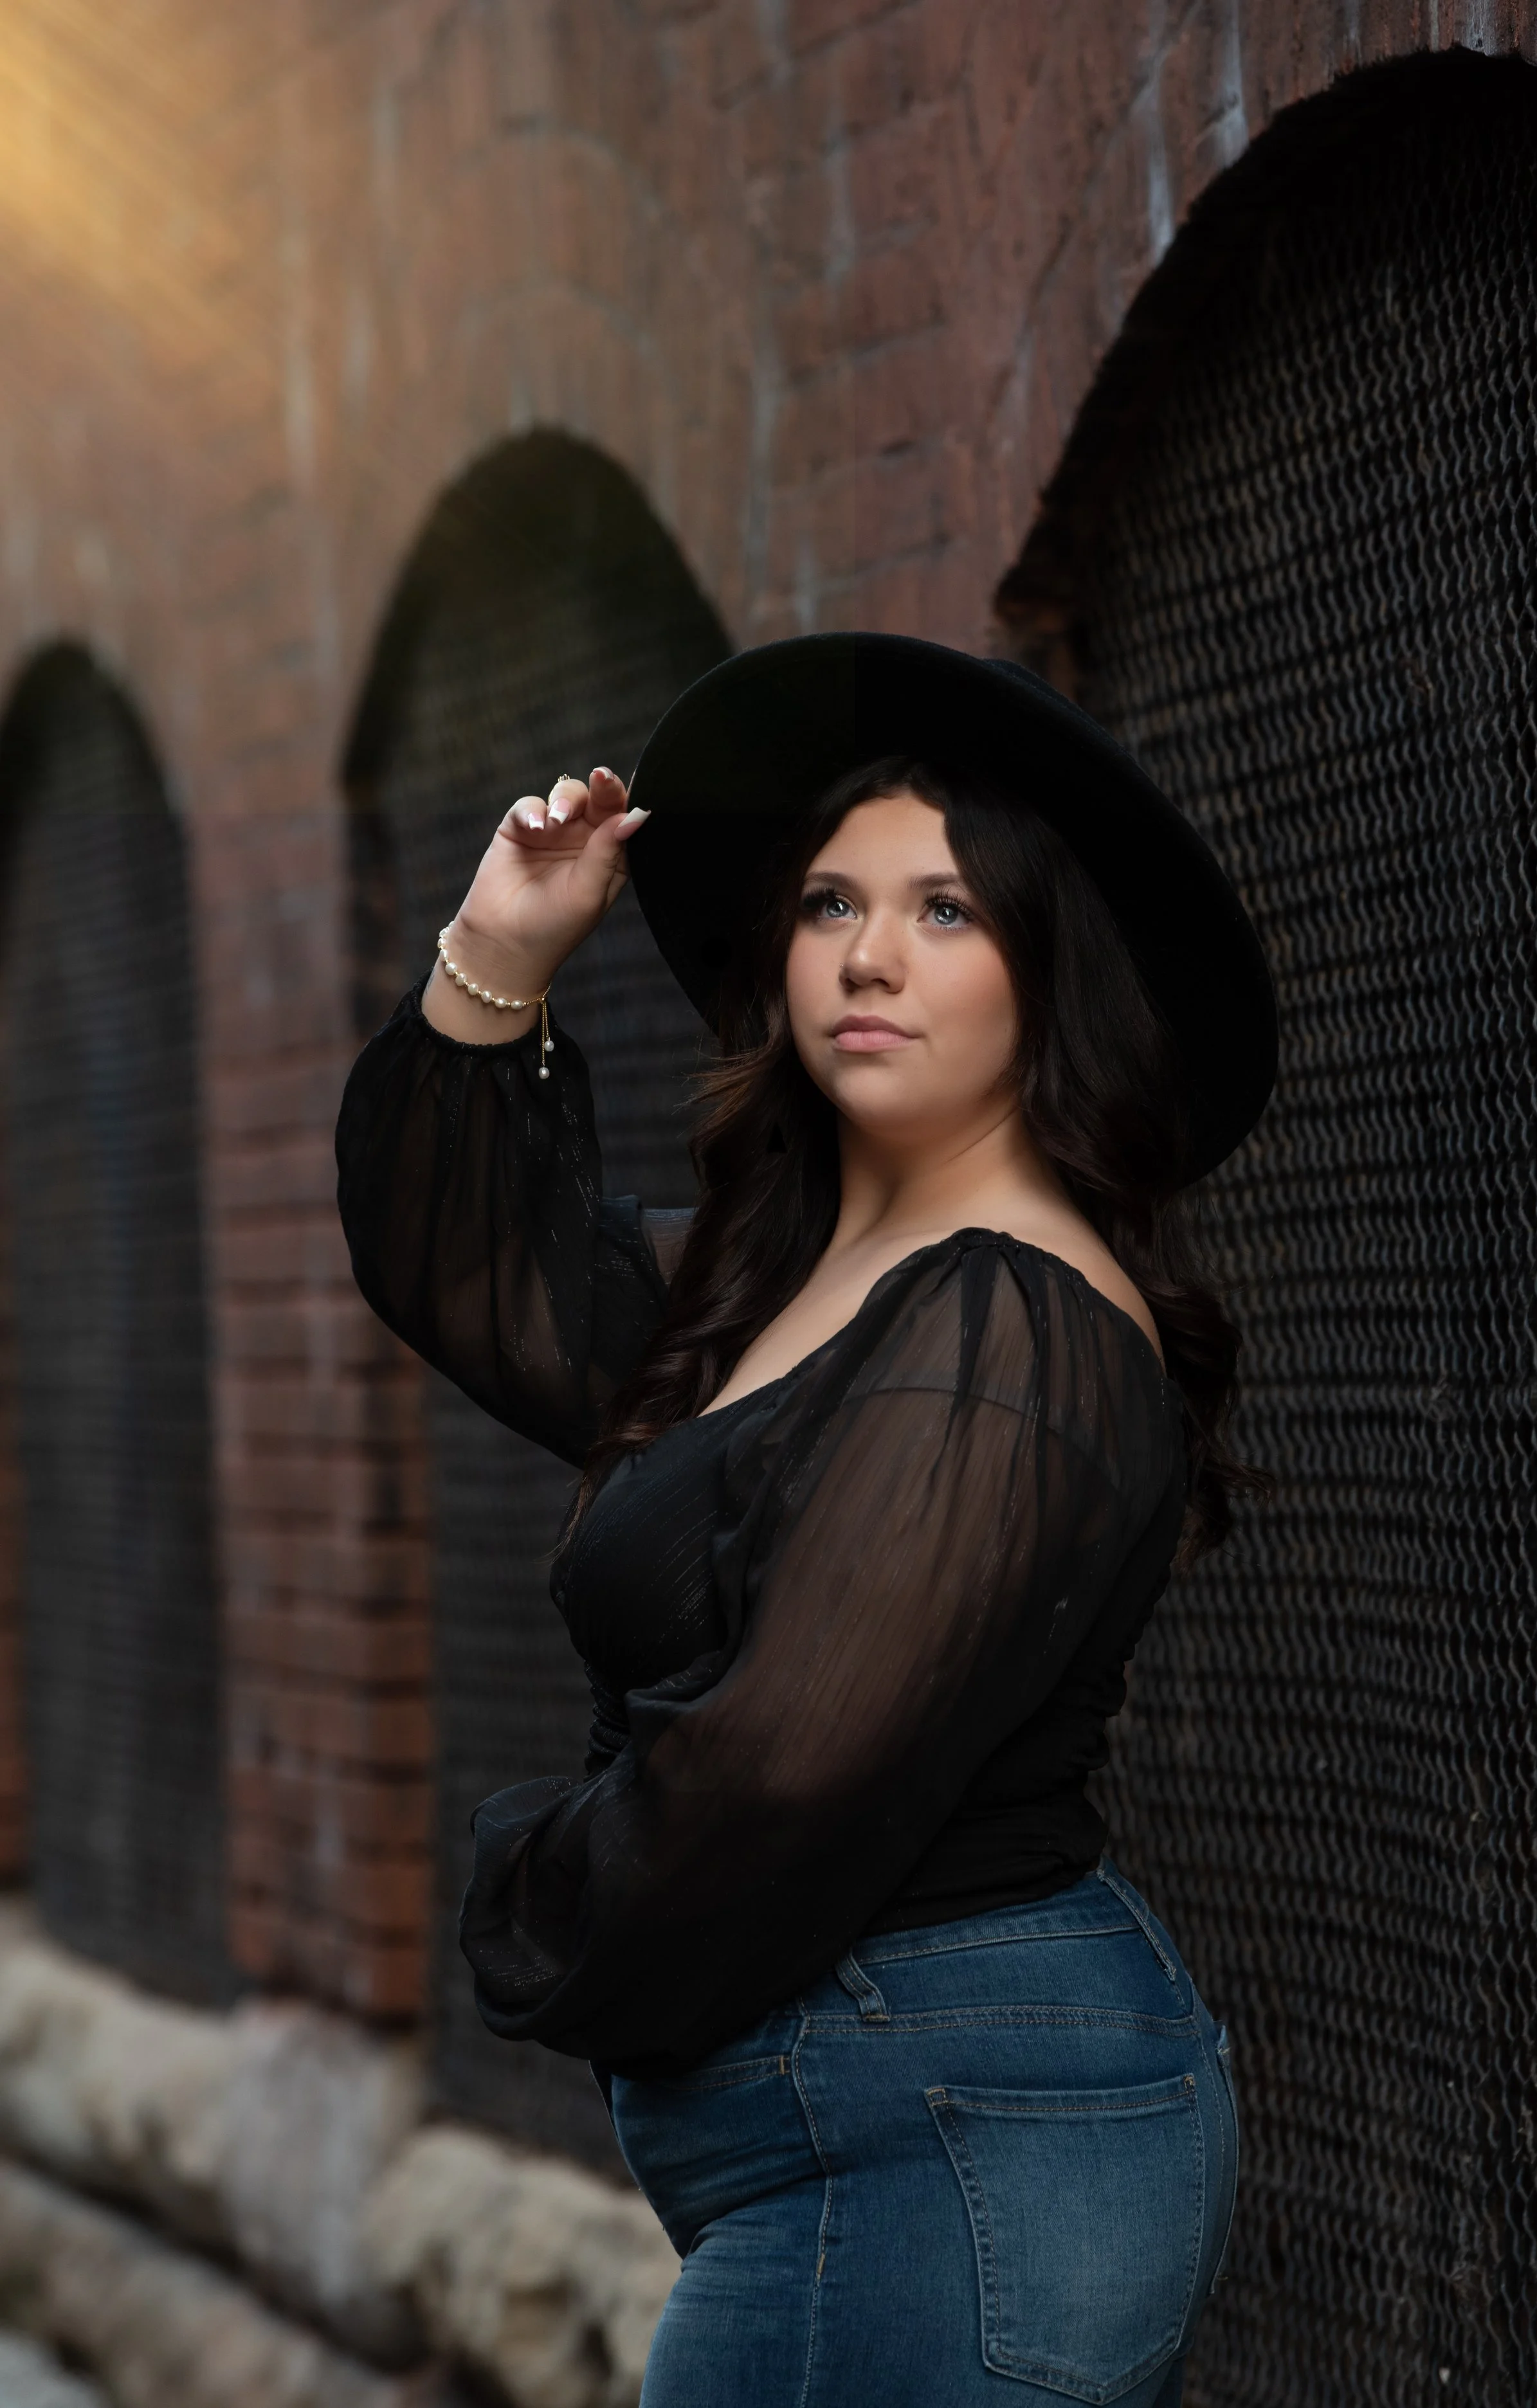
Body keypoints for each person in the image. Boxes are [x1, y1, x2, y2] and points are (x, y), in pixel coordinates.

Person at [336, 633, 1278, 2407]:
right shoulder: (783, 1281)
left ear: (1043, 970)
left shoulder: (1007, 1326)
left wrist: (538, 1892)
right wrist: (500, 950)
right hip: (881, 2130)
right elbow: (464, 1265)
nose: (865, 955)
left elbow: (781, 1766)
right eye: (830, 902)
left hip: (954, 2140)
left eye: (943, 913)